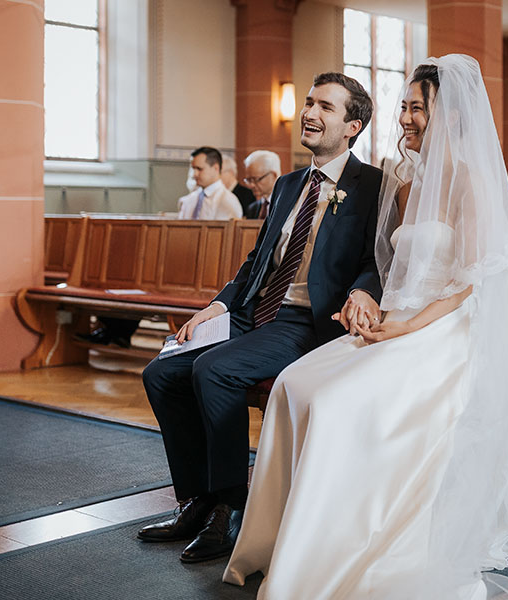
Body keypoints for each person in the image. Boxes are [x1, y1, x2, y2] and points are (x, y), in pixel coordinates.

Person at [224, 56, 508, 600]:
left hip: (444, 330)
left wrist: (407, 326)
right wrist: (370, 306)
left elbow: (471, 281)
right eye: (403, 106)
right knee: (293, 385)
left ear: (446, 115)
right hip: (399, 318)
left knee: (334, 404)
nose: (404, 118)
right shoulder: (404, 181)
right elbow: (389, 269)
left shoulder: (470, 181)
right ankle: (282, 544)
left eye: (416, 108)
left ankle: (337, 557)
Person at [137, 72, 383, 564]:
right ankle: (198, 500)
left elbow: (379, 260)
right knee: (162, 372)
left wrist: (362, 291)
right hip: (252, 310)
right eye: (309, 103)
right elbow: (257, 260)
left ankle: (232, 506)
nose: (309, 113)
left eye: (325, 108)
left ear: (353, 125)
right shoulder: (291, 184)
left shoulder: (373, 186)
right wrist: (219, 305)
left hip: (304, 320)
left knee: (216, 370)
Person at [178, 147, 243, 220]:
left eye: (199, 169)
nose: (194, 174)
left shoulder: (228, 201)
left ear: (216, 168)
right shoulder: (188, 199)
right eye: (193, 168)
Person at [242, 150, 281, 219]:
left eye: (256, 179)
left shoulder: (286, 205)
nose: (251, 185)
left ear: (273, 176)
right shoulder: (252, 208)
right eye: (248, 180)